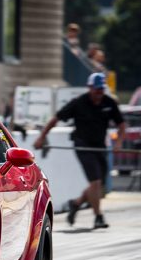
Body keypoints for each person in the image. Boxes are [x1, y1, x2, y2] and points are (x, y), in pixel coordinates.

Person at [33, 72, 126, 229]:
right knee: (95, 182)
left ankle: (75, 204)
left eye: (101, 90)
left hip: (99, 147)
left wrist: (118, 143)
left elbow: (122, 125)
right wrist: (42, 137)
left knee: (99, 186)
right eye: (96, 90)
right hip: (83, 146)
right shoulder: (79, 103)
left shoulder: (109, 103)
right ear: (89, 88)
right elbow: (57, 118)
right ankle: (98, 217)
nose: (99, 93)